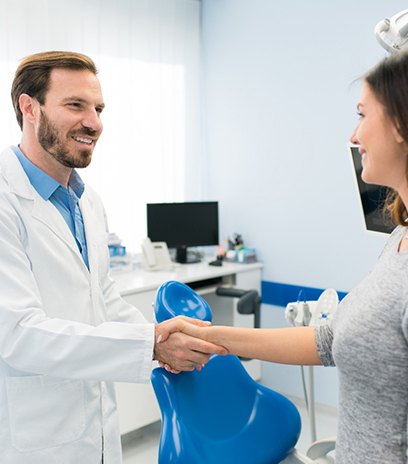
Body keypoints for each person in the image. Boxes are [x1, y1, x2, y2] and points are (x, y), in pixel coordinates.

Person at [160, 50, 408, 464]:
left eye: (363, 115)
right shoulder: (399, 238)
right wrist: (212, 336)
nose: (353, 135)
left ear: (401, 122)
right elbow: (330, 340)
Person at [0, 50, 227, 464]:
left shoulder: (87, 202)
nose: (94, 122)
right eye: (75, 105)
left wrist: (158, 336)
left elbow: (102, 299)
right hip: (32, 441)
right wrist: (151, 347)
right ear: (28, 108)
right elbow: (17, 334)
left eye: (99, 108)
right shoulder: (4, 199)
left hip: (96, 431)